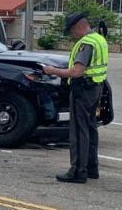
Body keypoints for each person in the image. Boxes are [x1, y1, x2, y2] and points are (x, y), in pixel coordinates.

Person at [41, 11, 109, 183]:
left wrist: (52, 71)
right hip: (96, 88)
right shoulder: (99, 39)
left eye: (71, 31)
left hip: (83, 90)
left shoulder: (85, 44)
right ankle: (92, 168)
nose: (72, 35)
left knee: (79, 131)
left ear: (78, 27)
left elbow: (76, 71)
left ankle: (78, 171)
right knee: (91, 128)